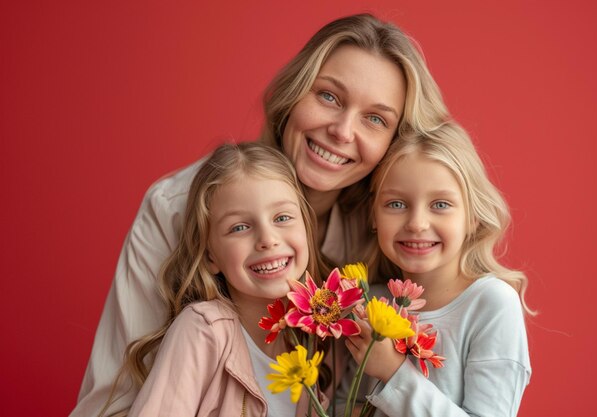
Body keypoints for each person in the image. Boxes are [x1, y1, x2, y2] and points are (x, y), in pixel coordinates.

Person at [71, 13, 450, 416]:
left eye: (375, 119)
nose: (342, 131)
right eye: (328, 96)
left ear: (394, 143)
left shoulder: (383, 233)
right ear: (293, 95)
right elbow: (108, 403)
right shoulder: (177, 207)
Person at [99, 142, 325, 416]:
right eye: (239, 227)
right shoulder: (204, 330)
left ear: (307, 228)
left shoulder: (310, 340)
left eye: (282, 218)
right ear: (210, 256)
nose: (267, 240)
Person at [345, 122, 533, 416]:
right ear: (373, 215)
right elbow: (341, 406)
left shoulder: (491, 304)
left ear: (472, 217)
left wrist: (395, 373)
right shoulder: (368, 304)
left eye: (441, 204)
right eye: (396, 204)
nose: (417, 223)